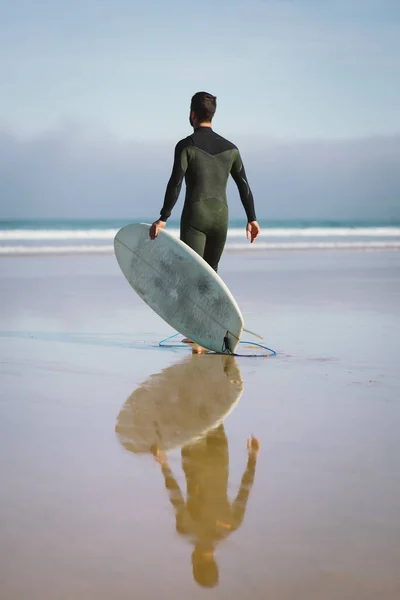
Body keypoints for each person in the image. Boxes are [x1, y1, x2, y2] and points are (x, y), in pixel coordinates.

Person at [149, 91, 260, 273]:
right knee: (210, 275)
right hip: (220, 218)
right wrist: (252, 218)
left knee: (191, 272)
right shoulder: (232, 149)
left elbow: (175, 183)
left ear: (192, 114)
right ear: (212, 114)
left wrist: (163, 217)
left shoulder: (186, 146)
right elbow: (244, 185)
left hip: (195, 218)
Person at [153, 424, 260, 588]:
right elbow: (175, 496)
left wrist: (252, 457)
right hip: (194, 459)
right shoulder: (187, 529)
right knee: (193, 412)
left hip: (220, 457)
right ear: (195, 563)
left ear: (214, 562)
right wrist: (164, 465)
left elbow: (245, 490)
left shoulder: (231, 525)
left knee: (211, 414)